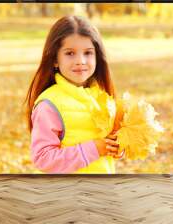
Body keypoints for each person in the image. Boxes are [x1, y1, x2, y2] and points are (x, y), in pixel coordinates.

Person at [25, 15, 123, 174]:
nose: (80, 61)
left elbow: (110, 142)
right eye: (70, 53)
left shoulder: (103, 96)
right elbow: (43, 158)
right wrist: (94, 149)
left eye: (88, 53)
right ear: (55, 59)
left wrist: (117, 147)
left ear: (97, 56)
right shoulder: (49, 105)